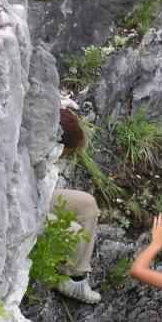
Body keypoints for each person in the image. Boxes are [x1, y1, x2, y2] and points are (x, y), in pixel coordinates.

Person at [50, 108, 102, 304]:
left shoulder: (44, 150)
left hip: (35, 198)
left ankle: (75, 278)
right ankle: (60, 275)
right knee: (73, 232)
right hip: (17, 212)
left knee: (88, 205)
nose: (64, 158)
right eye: (67, 153)